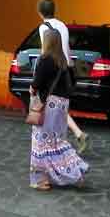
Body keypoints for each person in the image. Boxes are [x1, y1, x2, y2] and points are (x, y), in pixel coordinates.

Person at [29, 27, 89, 191]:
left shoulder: (44, 59)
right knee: (58, 142)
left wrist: (32, 89)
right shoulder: (64, 62)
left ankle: (41, 180)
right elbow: (71, 85)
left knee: (41, 143)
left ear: (46, 42)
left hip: (48, 106)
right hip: (62, 106)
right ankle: (76, 172)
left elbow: (36, 84)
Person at [37, 0, 90, 154]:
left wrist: (40, 72)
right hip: (65, 68)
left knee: (50, 104)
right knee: (58, 105)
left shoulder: (43, 27)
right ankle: (79, 134)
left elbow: (45, 50)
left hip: (52, 68)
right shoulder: (63, 26)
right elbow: (67, 49)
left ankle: (53, 144)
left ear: (39, 12)